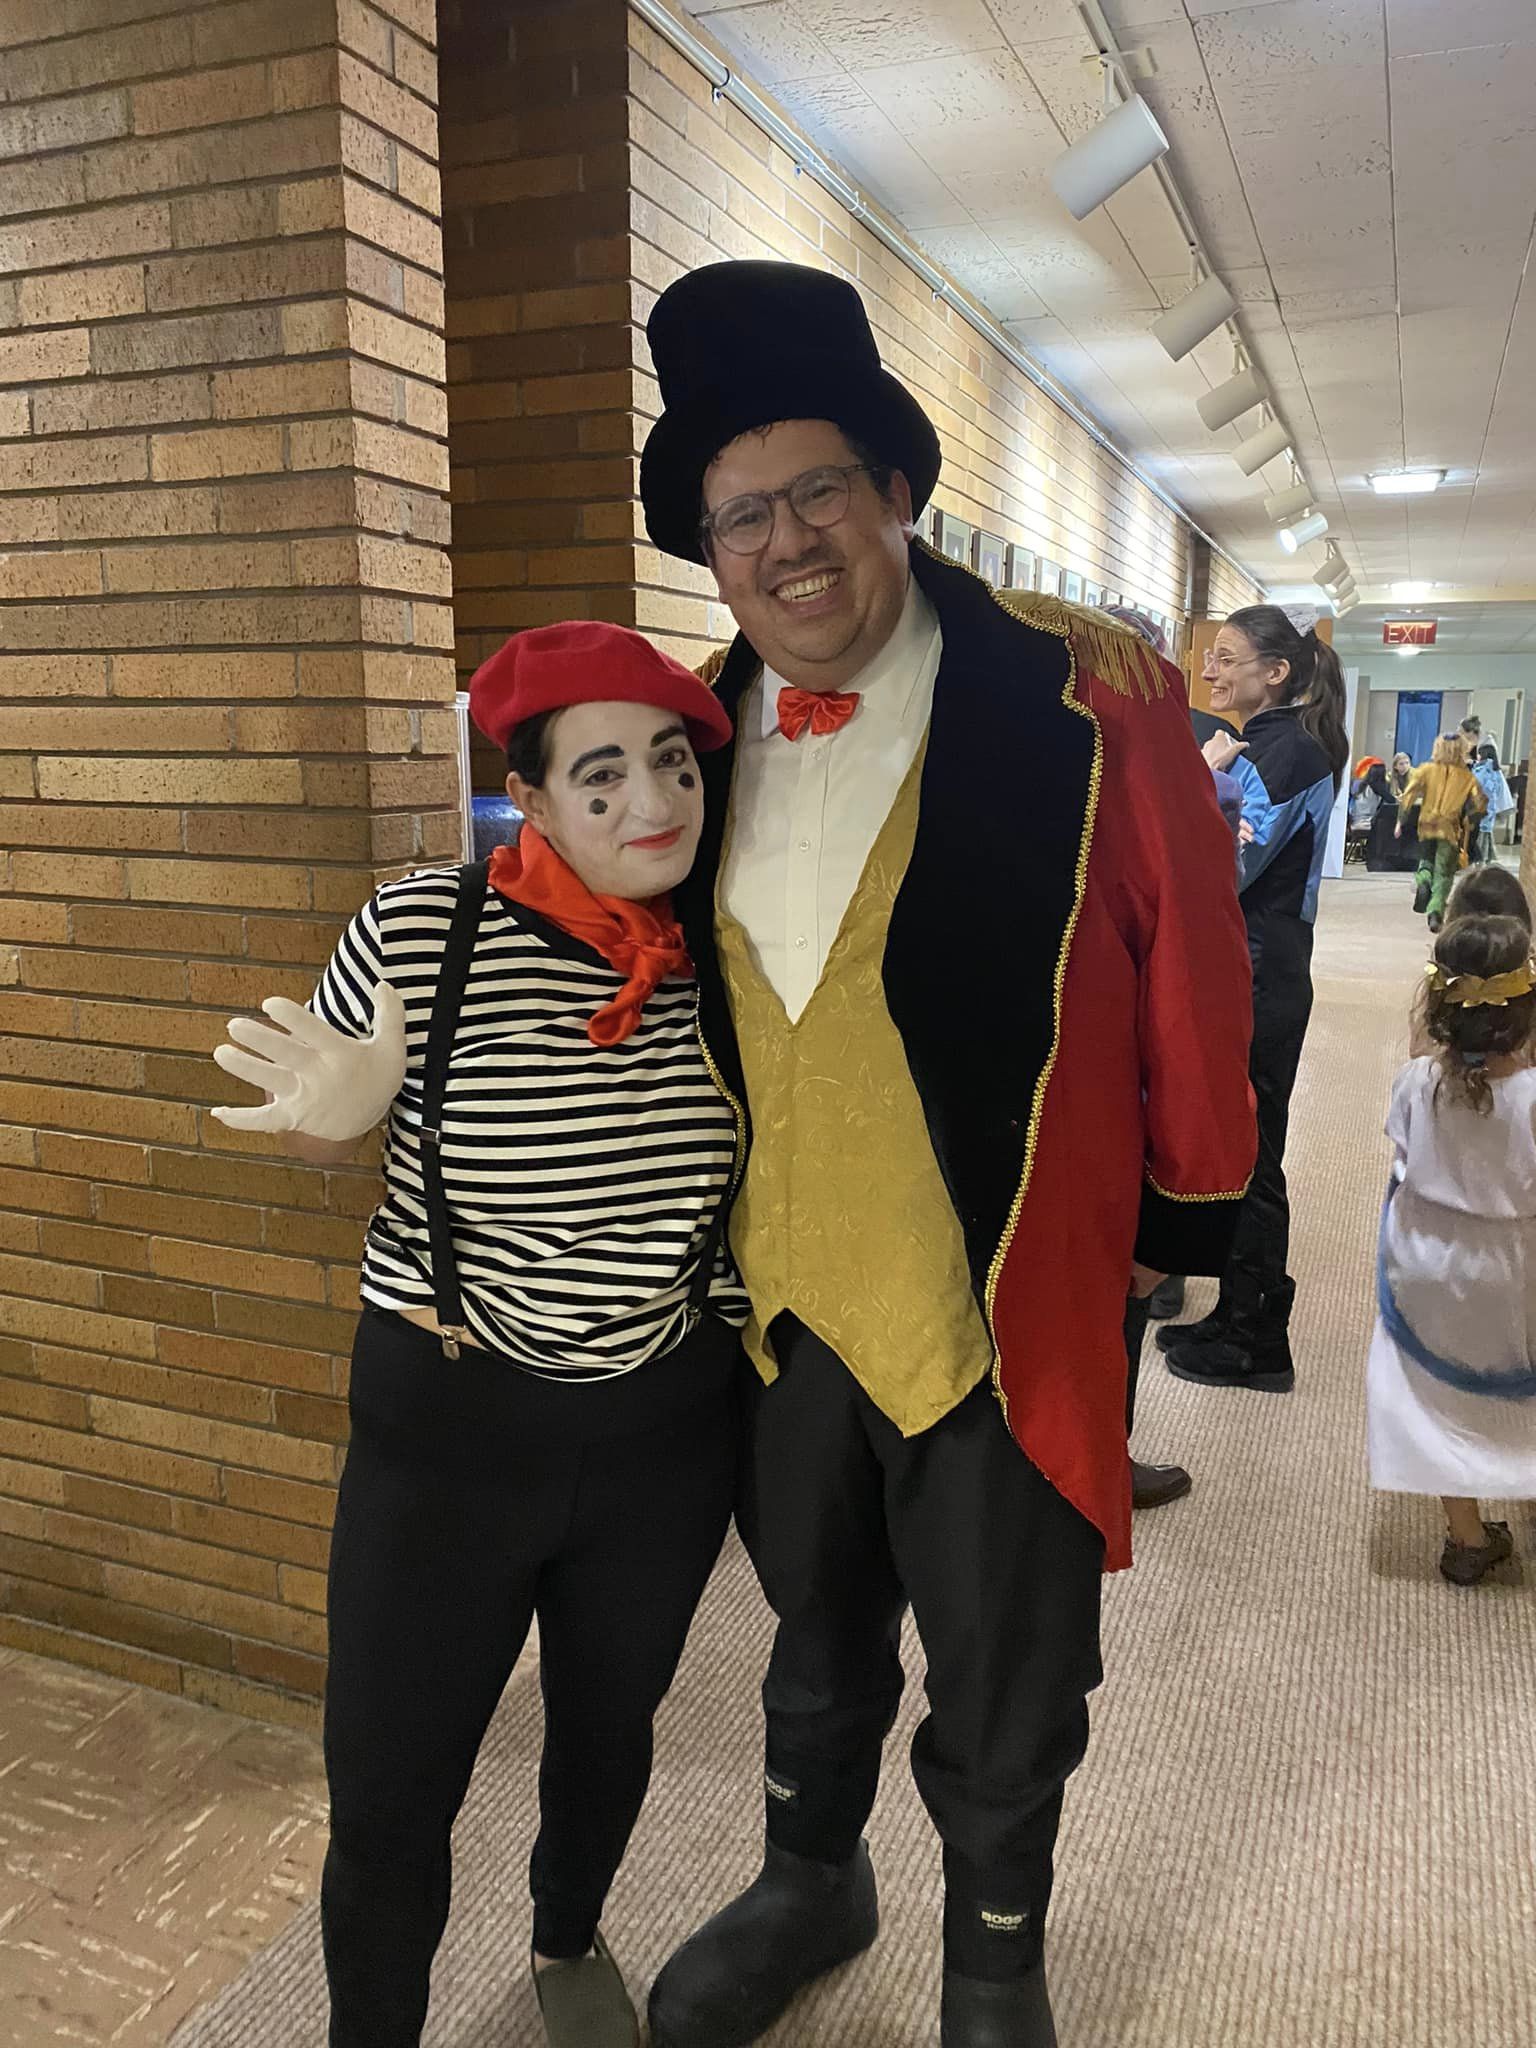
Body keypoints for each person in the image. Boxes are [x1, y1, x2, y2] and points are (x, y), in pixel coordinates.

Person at [636, 259, 1257, 2048]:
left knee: (1008, 1658)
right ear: (710, 548)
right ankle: (808, 1879)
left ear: (894, 486)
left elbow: (1194, 961)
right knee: (811, 1622)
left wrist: (1186, 1212)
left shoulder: (1085, 692)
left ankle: (994, 1959)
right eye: (741, 514)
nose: (786, 541)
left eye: (817, 488)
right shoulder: (686, 729)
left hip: (1004, 1284)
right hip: (779, 1297)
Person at [211, 623, 747, 2048]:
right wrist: (330, 1123)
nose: (652, 803)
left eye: (675, 763)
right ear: (534, 794)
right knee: (393, 1785)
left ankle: (568, 1937)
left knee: (609, 1729)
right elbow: (320, 1126)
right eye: (602, 774)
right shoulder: (423, 928)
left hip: (664, 1431)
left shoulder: (728, 952)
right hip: (448, 1431)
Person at [1158, 605, 1349, 1394]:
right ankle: (1236, 1308)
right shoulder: (1270, 744)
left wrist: (1204, 778)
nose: (1209, 670)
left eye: (1227, 658)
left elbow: (1224, 867)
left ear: (1276, 672)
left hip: (1264, 972)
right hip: (1255, 966)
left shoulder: (1283, 753)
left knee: (1256, 1149)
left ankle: (1258, 1337)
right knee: (1239, 1139)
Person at [1367, 911, 1536, 1585]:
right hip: (1517, 1270)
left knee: (1433, 1393)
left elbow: (1404, 1154)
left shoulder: (1416, 1082)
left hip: (1428, 1267)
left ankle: (1466, 1538)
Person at [1396, 734, 1485, 932]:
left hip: (1426, 825)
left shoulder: (1425, 770)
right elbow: (1480, 804)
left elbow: (1408, 795)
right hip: (1449, 829)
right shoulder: (1467, 777)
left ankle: (1423, 880)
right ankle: (1435, 912)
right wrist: (1469, 820)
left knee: (1426, 861)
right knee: (1444, 873)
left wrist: (1400, 821)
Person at [1471, 740, 1515, 862]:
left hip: (1480, 809)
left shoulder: (1484, 770)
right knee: (1485, 834)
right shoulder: (1494, 770)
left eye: (1479, 753)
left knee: (1479, 836)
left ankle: (1479, 860)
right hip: (1489, 810)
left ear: (1483, 754)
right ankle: (1485, 859)